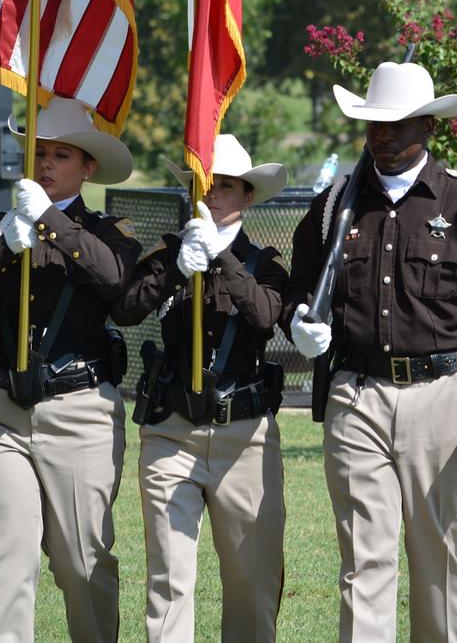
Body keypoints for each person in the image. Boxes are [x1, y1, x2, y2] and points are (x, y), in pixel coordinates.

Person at [283, 61, 457, 642]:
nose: (385, 137)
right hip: (357, 397)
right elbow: (297, 288)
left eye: (398, 124)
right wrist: (297, 321)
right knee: (363, 564)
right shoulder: (331, 208)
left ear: (428, 126)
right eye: (376, 125)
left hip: (444, 400)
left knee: (440, 562)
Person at [0, 96, 141, 642]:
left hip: (80, 411)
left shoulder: (109, 231)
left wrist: (48, 220)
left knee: (81, 562)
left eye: (60, 155)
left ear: (87, 168)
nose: (45, 164)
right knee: (3, 558)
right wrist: (5, 243)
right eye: (37, 153)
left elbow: (116, 280)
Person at [111, 134, 289, 642]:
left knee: (252, 581)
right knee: (168, 581)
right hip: (172, 431)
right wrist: (174, 270)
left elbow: (265, 315)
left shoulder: (265, 263)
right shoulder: (170, 252)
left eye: (225, 187)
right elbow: (125, 310)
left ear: (247, 196)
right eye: (202, 185)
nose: (211, 195)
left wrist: (224, 262)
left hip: (244, 438)